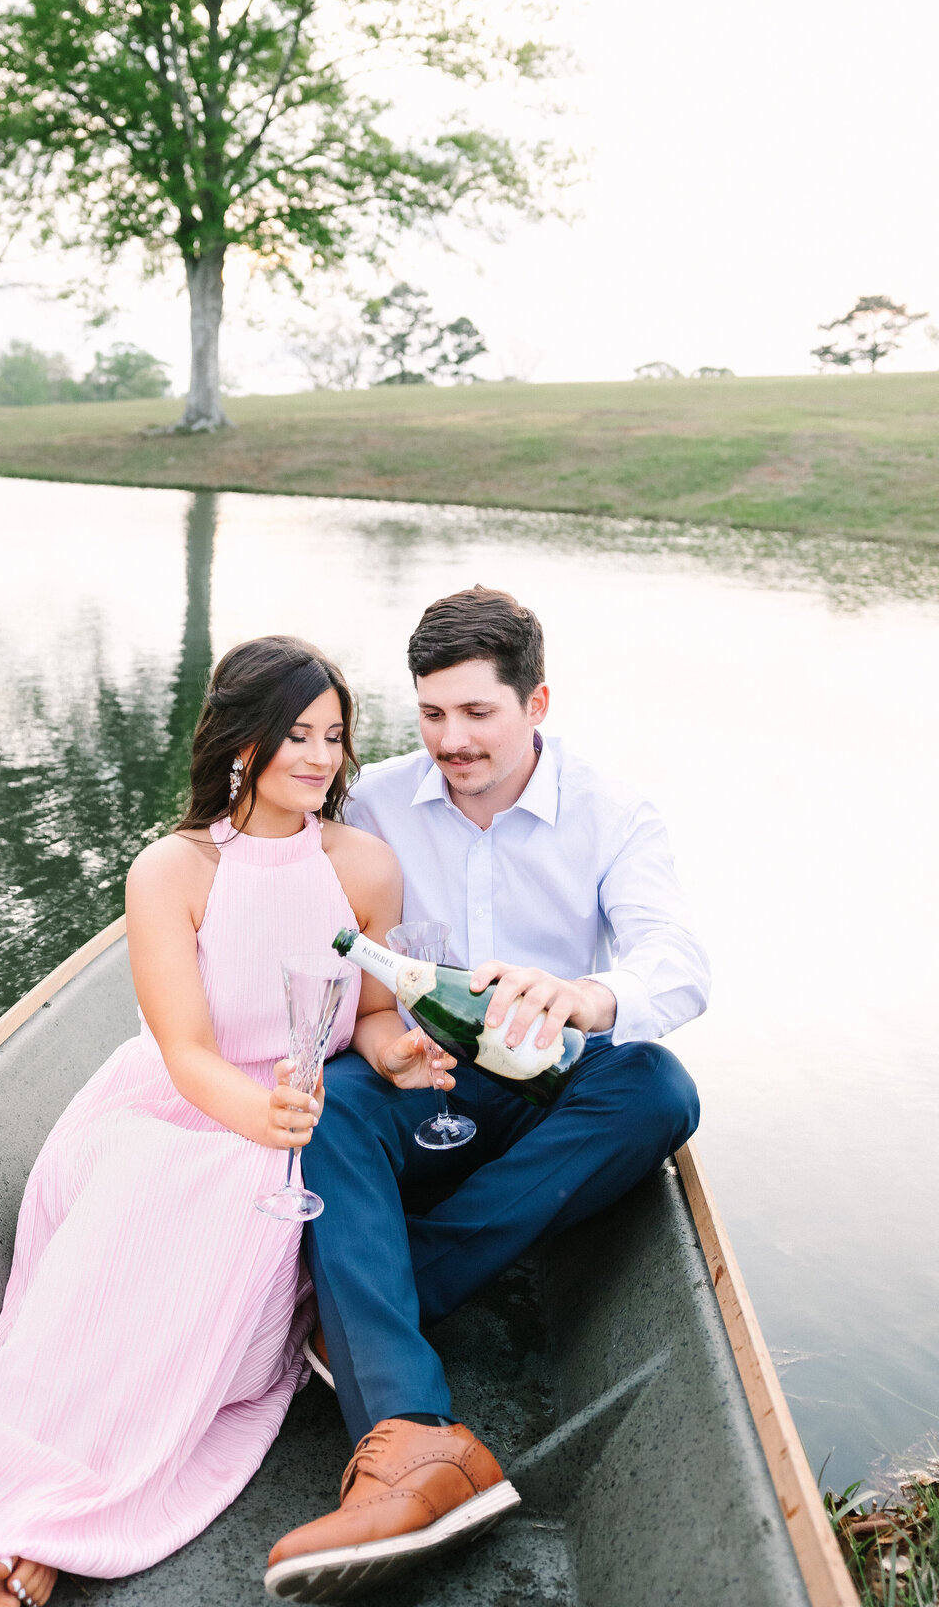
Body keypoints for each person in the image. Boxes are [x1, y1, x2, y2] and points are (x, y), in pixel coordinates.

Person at [0, 635, 444, 1607]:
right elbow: (186, 1050)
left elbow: (367, 1013)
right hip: (183, 1103)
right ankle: (12, 1516)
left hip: (299, 1115)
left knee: (235, 1213)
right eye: (297, 735)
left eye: (334, 736)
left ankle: (52, 1529)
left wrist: (394, 1052)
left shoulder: (365, 867)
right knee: (147, 1214)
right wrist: (262, 1116)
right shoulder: (173, 869)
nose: (322, 758)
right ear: (243, 743)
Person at [266, 587, 708, 1600]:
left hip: (551, 1078)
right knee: (329, 1106)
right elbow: (266, 850)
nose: (451, 740)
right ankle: (418, 1436)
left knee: (659, 1089)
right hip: (421, 1077)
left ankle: (377, 1298)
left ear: (536, 702)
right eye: (431, 714)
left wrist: (586, 995)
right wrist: (380, 1040)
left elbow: (679, 964)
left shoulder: (613, 811)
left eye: (478, 714)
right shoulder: (370, 797)